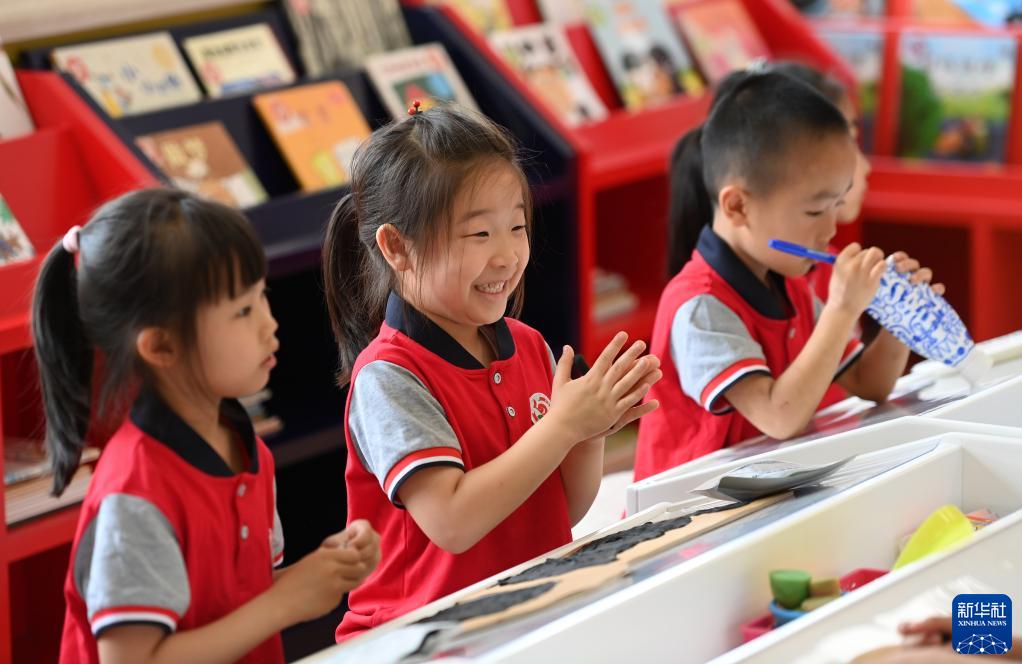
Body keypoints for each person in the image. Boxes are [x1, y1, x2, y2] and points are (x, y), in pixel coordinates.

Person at [322, 104, 661, 639]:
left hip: (520, 614)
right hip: (417, 636)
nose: (507, 256)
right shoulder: (388, 376)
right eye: (479, 234)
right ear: (397, 247)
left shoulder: (527, 345)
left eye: (517, 227)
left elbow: (561, 510)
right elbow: (453, 522)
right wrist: (564, 426)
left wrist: (590, 433)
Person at [34, 189, 380, 664]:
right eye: (242, 311)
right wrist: (286, 601)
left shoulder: (245, 448)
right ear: (161, 347)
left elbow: (233, 605)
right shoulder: (135, 493)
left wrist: (322, 570)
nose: (269, 324)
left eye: (261, 296)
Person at [635, 71, 941, 480]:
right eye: (815, 211)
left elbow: (870, 383)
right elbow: (778, 416)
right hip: (689, 509)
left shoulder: (790, 283)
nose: (830, 229)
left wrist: (901, 318)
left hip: (767, 490)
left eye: (837, 205)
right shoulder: (700, 305)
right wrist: (842, 308)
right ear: (738, 206)